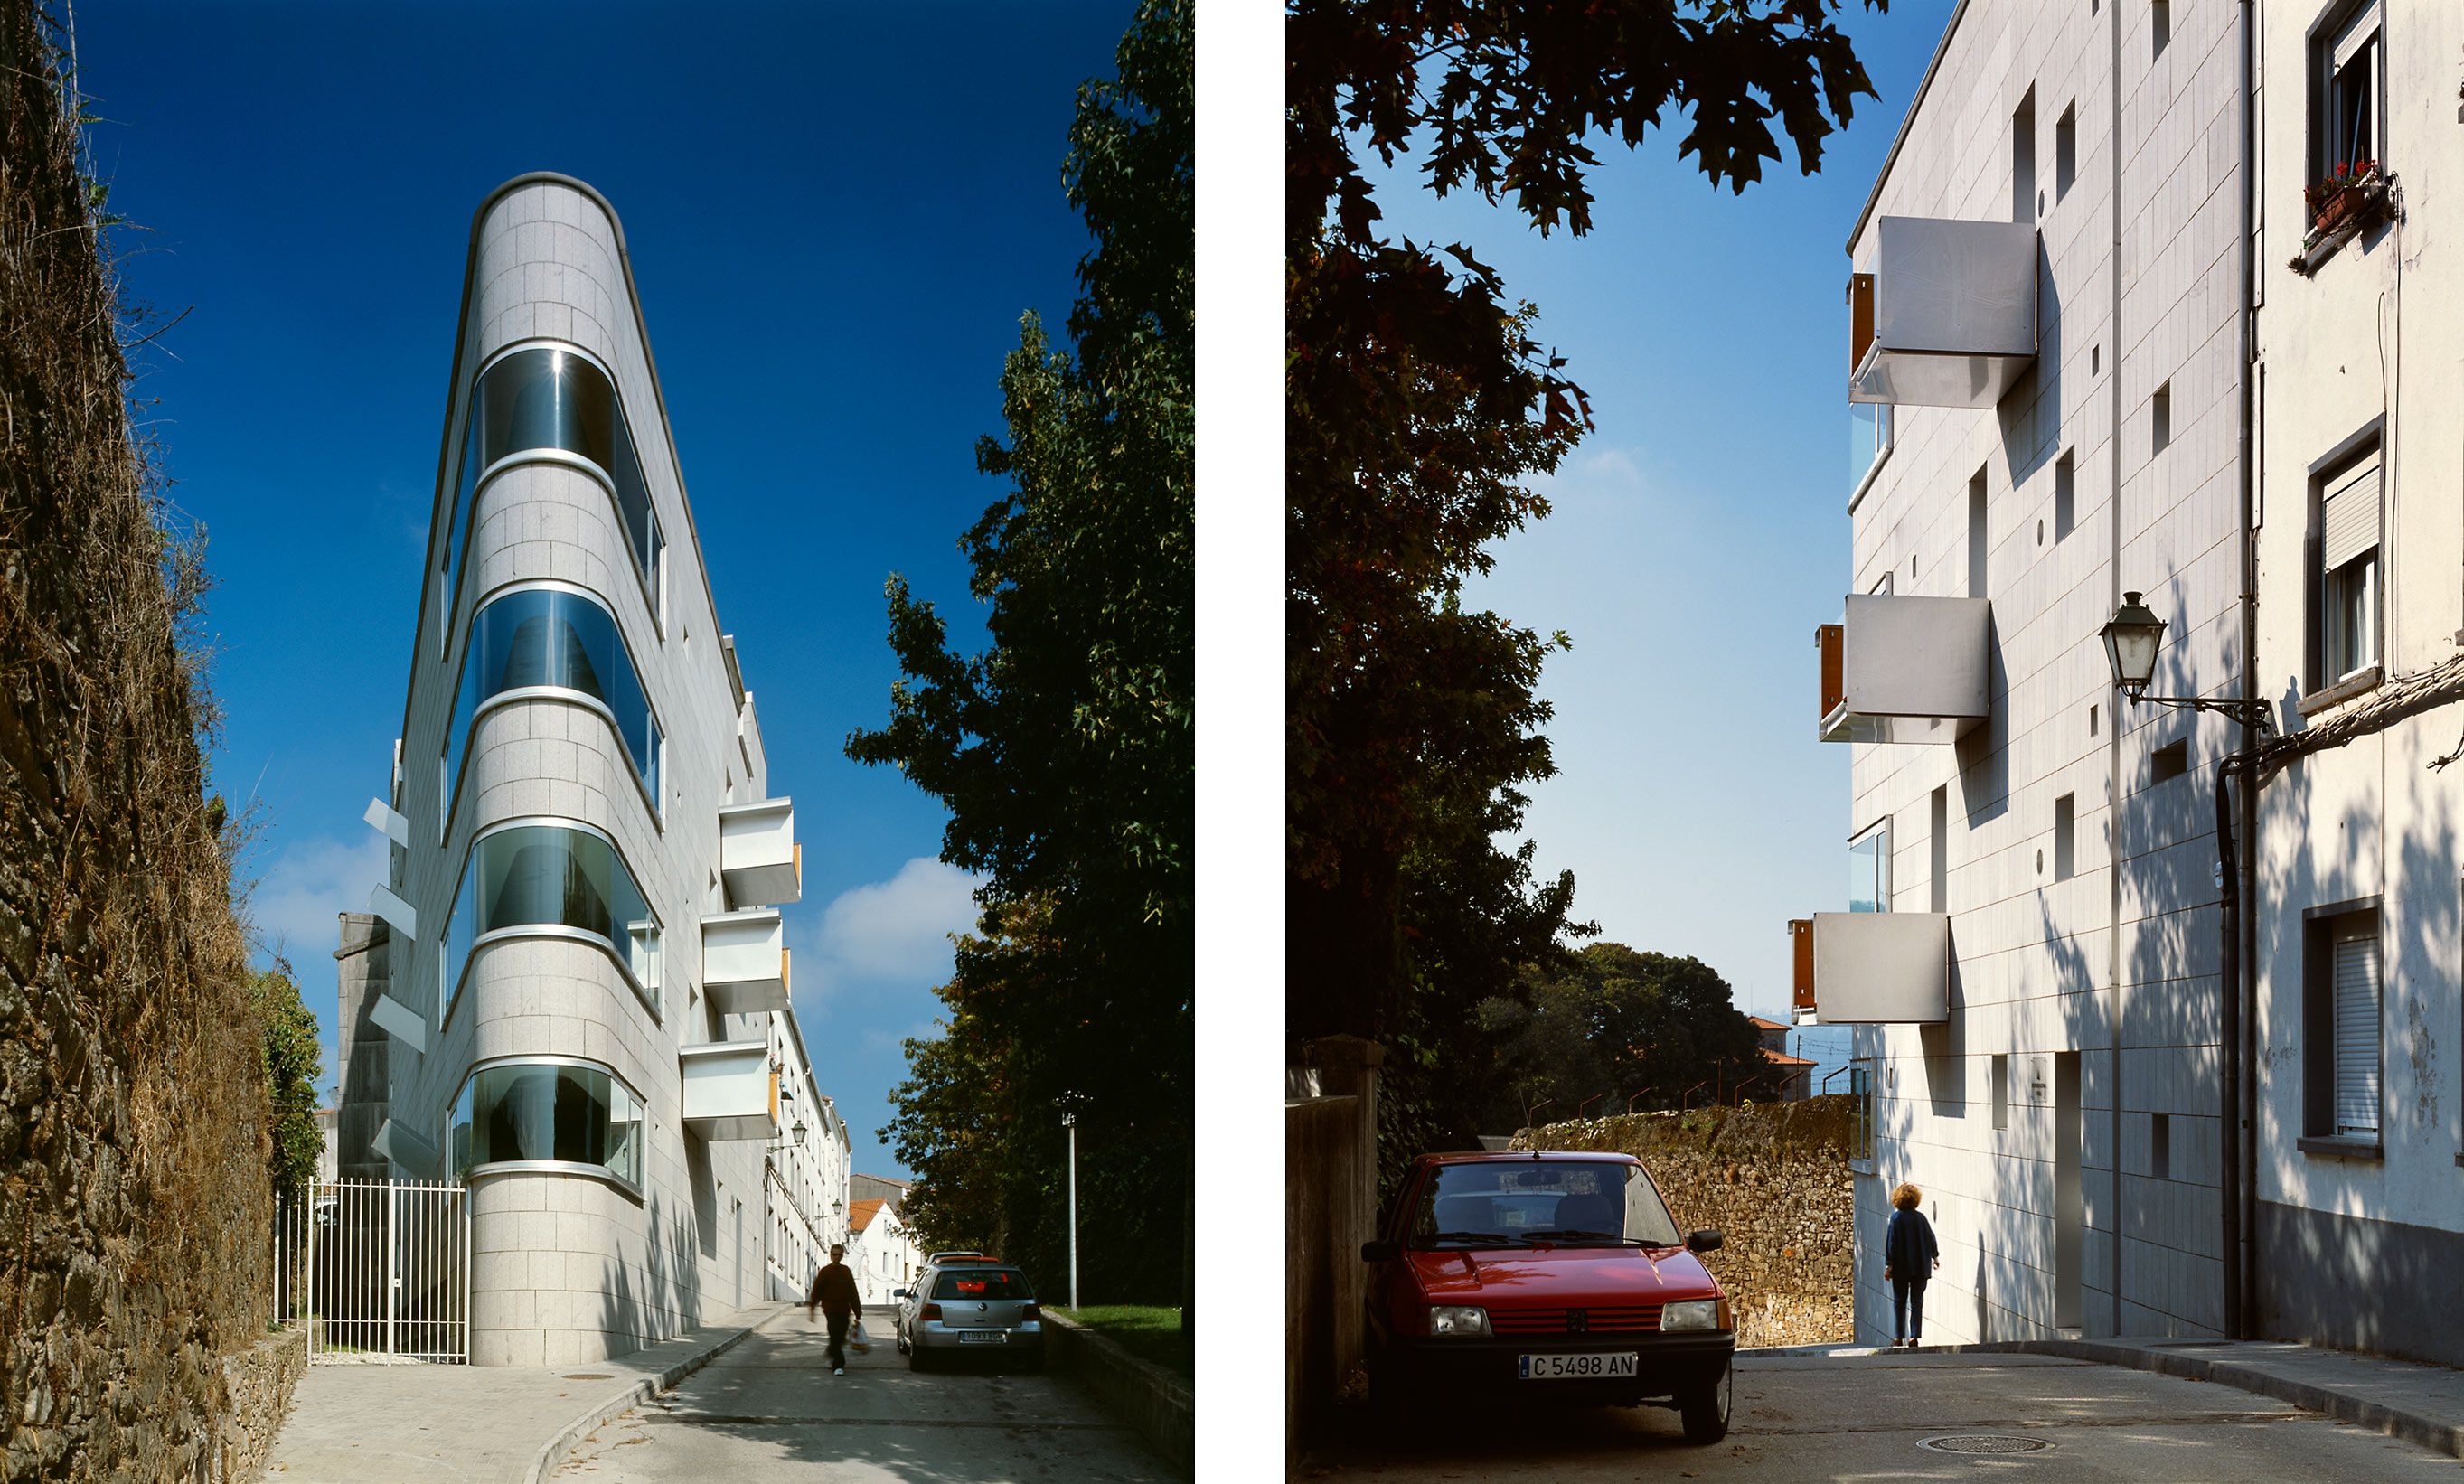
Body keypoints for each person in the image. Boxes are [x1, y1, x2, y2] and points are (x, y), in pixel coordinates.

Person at [1881, 1182, 1940, 1349]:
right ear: (1915, 1199)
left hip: (1901, 1268)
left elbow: (1891, 1244)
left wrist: (1889, 1266)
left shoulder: (1895, 1219)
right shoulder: (1921, 1218)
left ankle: (1898, 1337)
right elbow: (1930, 1238)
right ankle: (1914, 1336)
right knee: (1917, 1302)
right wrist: (1935, 1257)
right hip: (1920, 1267)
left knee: (1899, 1302)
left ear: (1897, 1199)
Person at [805, 1243, 863, 1376]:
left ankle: (831, 1352)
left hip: (844, 1310)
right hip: (830, 1309)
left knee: (841, 1337)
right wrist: (812, 1308)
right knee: (834, 1334)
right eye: (835, 1254)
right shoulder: (825, 1272)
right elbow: (817, 1291)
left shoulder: (846, 1271)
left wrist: (857, 1311)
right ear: (831, 1255)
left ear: (842, 1256)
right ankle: (838, 1365)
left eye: (840, 1255)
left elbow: (853, 1292)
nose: (837, 1257)